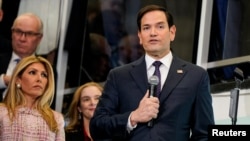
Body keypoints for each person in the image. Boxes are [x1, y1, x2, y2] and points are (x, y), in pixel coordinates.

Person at [90, 4, 215, 141]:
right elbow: (97, 127)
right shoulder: (119, 76)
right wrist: (133, 117)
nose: (153, 33)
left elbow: (205, 134)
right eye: (146, 28)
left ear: (172, 32)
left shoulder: (195, 76)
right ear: (140, 36)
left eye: (160, 26)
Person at [0, 12, 57, 109]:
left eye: (29, 34)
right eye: (18, 32)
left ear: (39, 38)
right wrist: (3, 81)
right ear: (12, 33)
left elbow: (48, 105)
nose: (22, 38)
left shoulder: (46, 69)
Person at [0, 56, 65, 140]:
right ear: (18, 80)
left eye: (44, 75)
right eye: (32, 72)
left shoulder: (56, 119)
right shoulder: (2, 113)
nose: (39, 79)